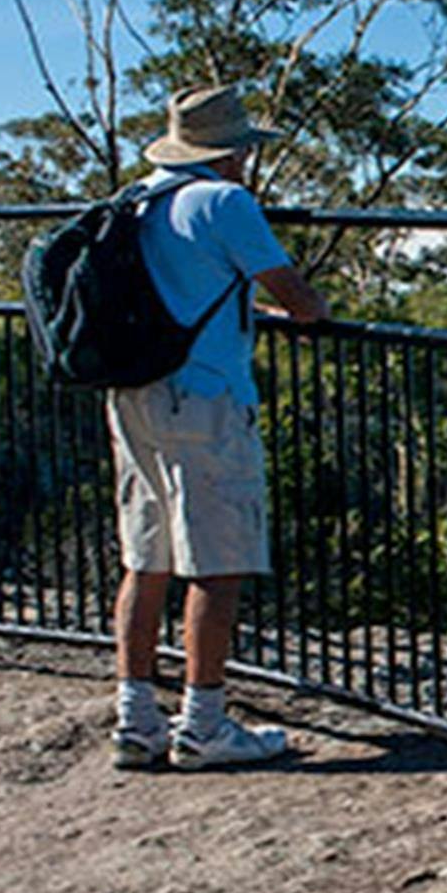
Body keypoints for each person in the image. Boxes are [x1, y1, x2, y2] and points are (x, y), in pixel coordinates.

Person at [108, 85, 331, 770]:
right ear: (231, 151)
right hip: (205, 400)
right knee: (218, 562)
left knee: (146, 558)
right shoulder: (224, 202)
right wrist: (308, 311)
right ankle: (203, 723)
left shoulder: (134, 199)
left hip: (135, 394)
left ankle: (135, 720)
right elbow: (298, 297)